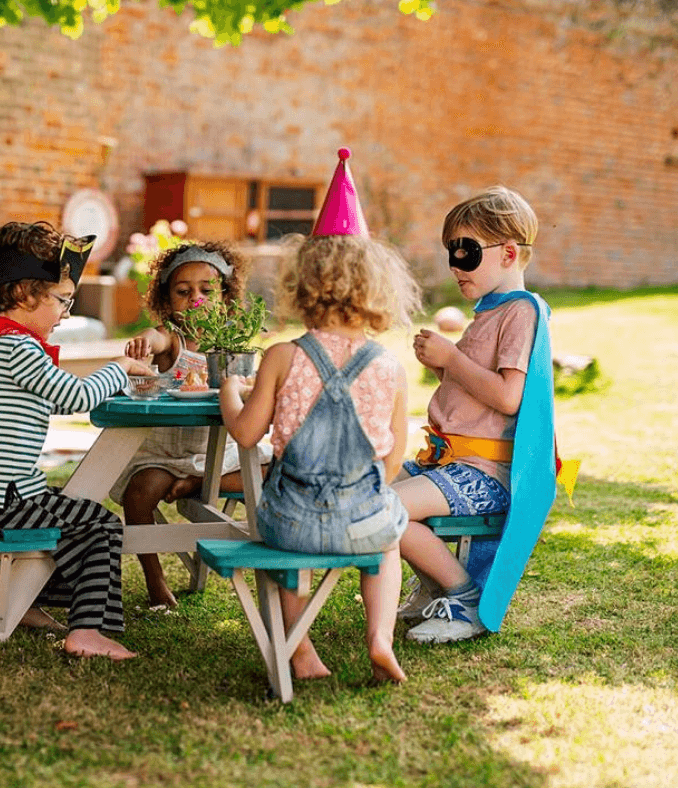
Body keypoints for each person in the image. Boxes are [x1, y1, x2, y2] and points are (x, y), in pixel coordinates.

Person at [219, 148, 422, 684]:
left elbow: (244, 431)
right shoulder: (389, 367)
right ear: (377, 289)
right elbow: (394, 459)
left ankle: (302, 649)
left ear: (302, 284)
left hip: (292, 523)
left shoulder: (283, 356)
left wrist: (227, 389)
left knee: (287, 554)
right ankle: (378, 638)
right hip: (366, 522)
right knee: (391, 540)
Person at [0, 220, 154, 661]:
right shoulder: (14, 347)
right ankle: (88, 631)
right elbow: (73, 397)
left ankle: (26, 603)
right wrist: (119, 369)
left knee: (73, 512)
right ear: (24, 294)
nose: (66, 312)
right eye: (61, 300)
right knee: (100, 525)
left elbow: (52, 390)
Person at [394, 186, 557, 644]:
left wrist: (450, 359)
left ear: (508, 253)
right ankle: (433, 588)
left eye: (466, 252)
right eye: (451, 252)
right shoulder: (491, 312)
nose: (454, 264)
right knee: (369, 496)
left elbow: (509, 397)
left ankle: (462, 595)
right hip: (447, 464)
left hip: (482, 473)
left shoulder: (521, 312)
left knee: (384, 511)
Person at [115, 241, 272, 607]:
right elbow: (154, 339)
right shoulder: (173, 337)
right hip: (167, 455)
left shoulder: (231, 340)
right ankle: (156, 581)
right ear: (167, 300)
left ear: (226, 296)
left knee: (275, 466)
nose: (195, 299)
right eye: (183, 292)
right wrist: (144, 343)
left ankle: (196, 485)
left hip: (221, 453)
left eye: (206, 290)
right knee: (138, 495)